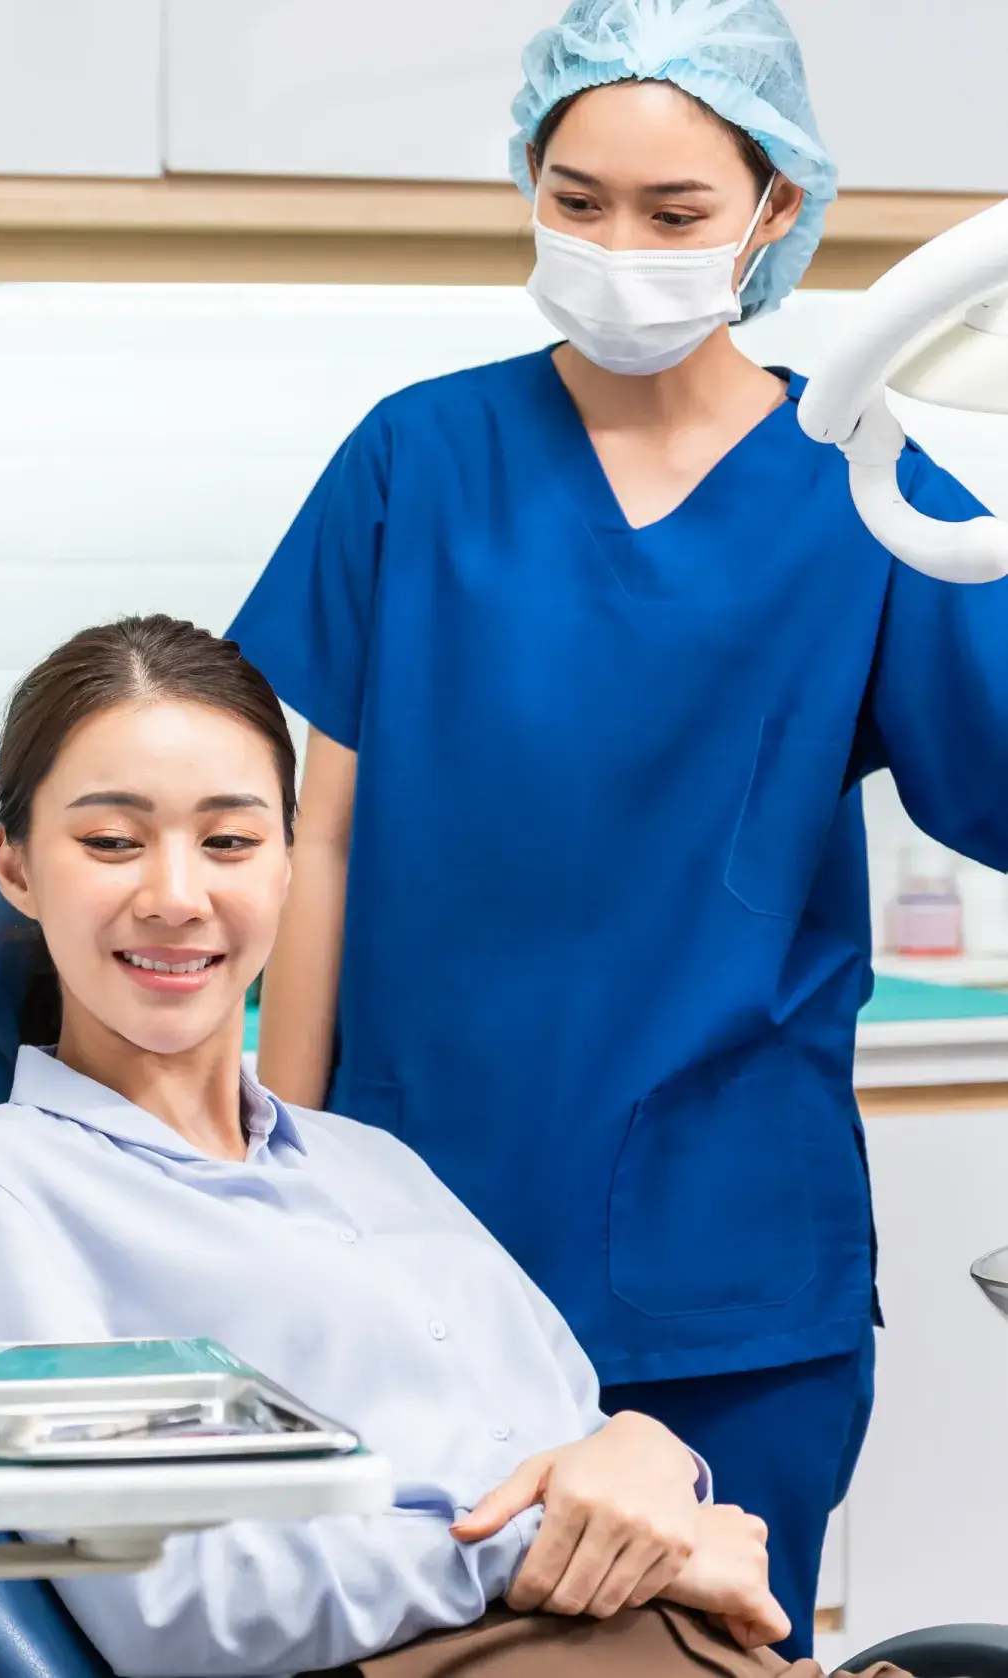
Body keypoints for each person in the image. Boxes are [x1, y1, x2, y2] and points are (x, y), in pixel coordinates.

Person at [223, 0, 1008, 1655]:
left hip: (724, 1265)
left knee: (691, 1655)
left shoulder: (866, 481)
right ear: (527, 174)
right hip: (425, 1225)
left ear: (774, 209)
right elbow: (329, 842)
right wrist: (280, 1196)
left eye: (672, 214)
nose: (617, 245)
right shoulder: (417, 457)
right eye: (578, 201)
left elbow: (997, 792)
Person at [0, 615, 913, 1678]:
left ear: (287, 865)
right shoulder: (0, 1184)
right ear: (14, 863)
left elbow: (573, 1440)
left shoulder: (369, 1165)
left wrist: (655, 1461)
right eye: (110, 841)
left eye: (231, 840)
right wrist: (539, 1547)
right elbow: (174, 1602)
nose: (175, 895)